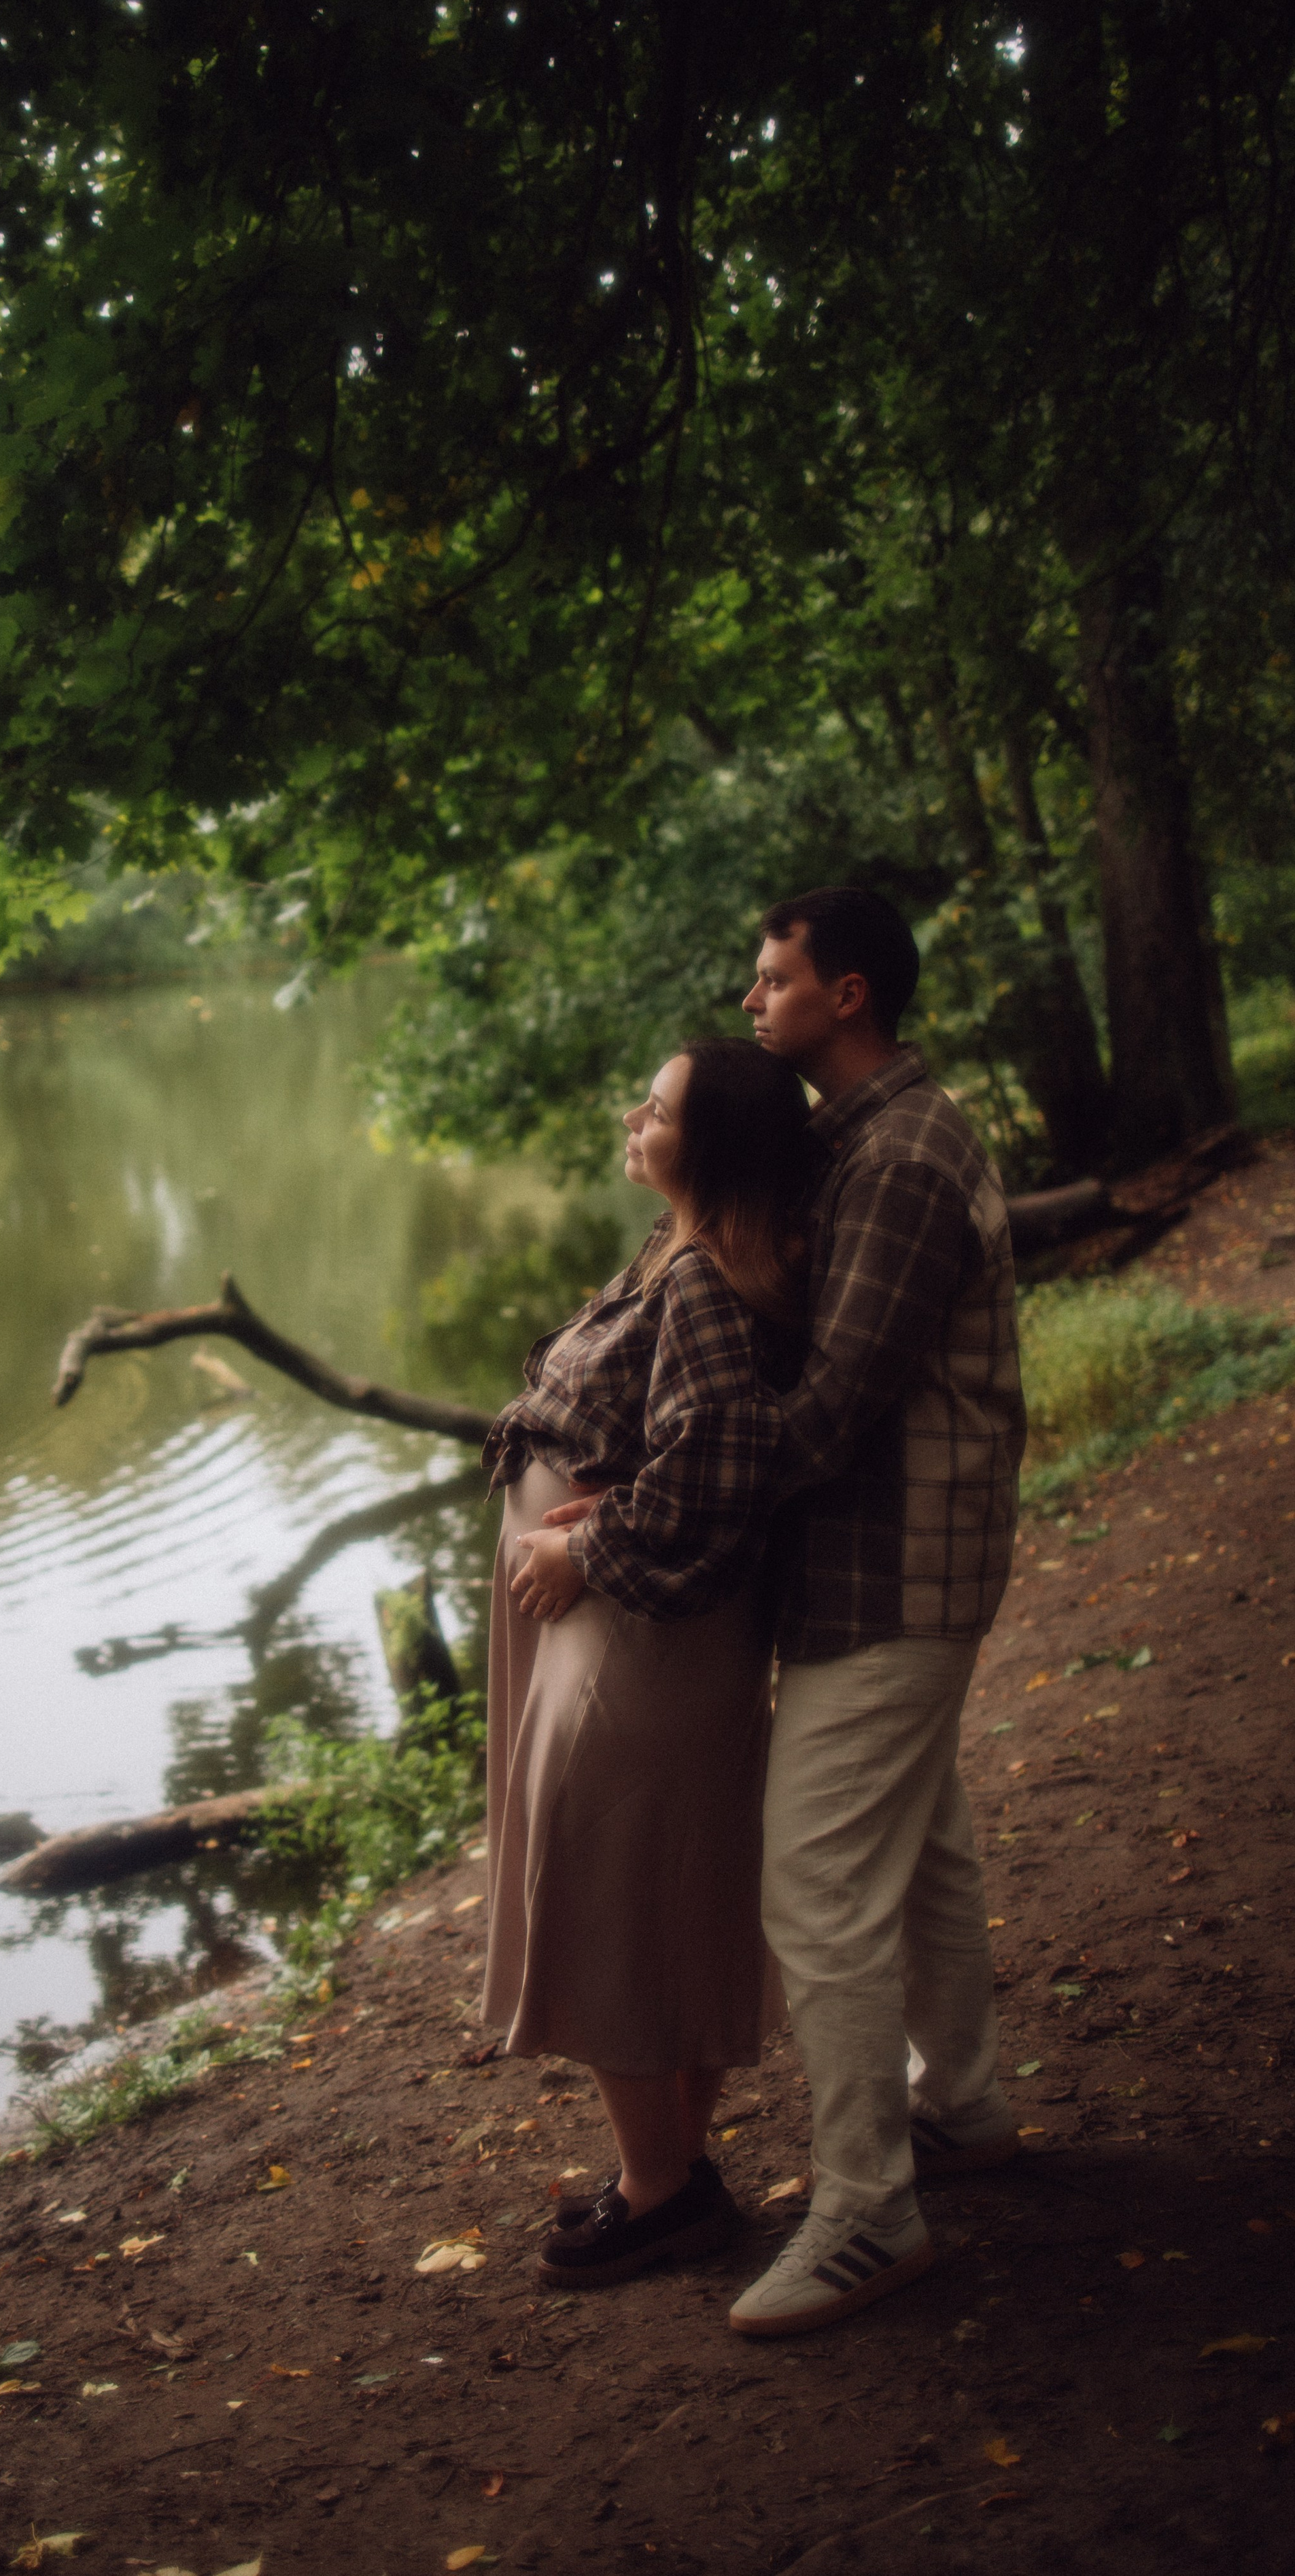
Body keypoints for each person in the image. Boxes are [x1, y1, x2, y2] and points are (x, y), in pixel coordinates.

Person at [720, 884, 1027, 2337]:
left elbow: (833, 1406)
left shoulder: (899, 1157)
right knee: (924, 1851)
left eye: (770, 980)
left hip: (892, 1570)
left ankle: (866, 2212)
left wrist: (671, 1502)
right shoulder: (863, 1143)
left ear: (845, 997)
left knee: (816, 1890)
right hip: (893, 1562)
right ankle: (955, 2107)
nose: (748, 1000)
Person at [481, 1036, 810, 2289]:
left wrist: (595, 1545)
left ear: (711, 1143)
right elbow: (684, 1430)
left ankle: (660, 2189)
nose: (634, 1114)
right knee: (660, 1898)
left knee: (618, 1893)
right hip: (624, 1632)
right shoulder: (685, 1258)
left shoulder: (707, 1283)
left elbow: (725, 1446)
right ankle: (674, 2179)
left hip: (640, 1638)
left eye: (658, 1107)